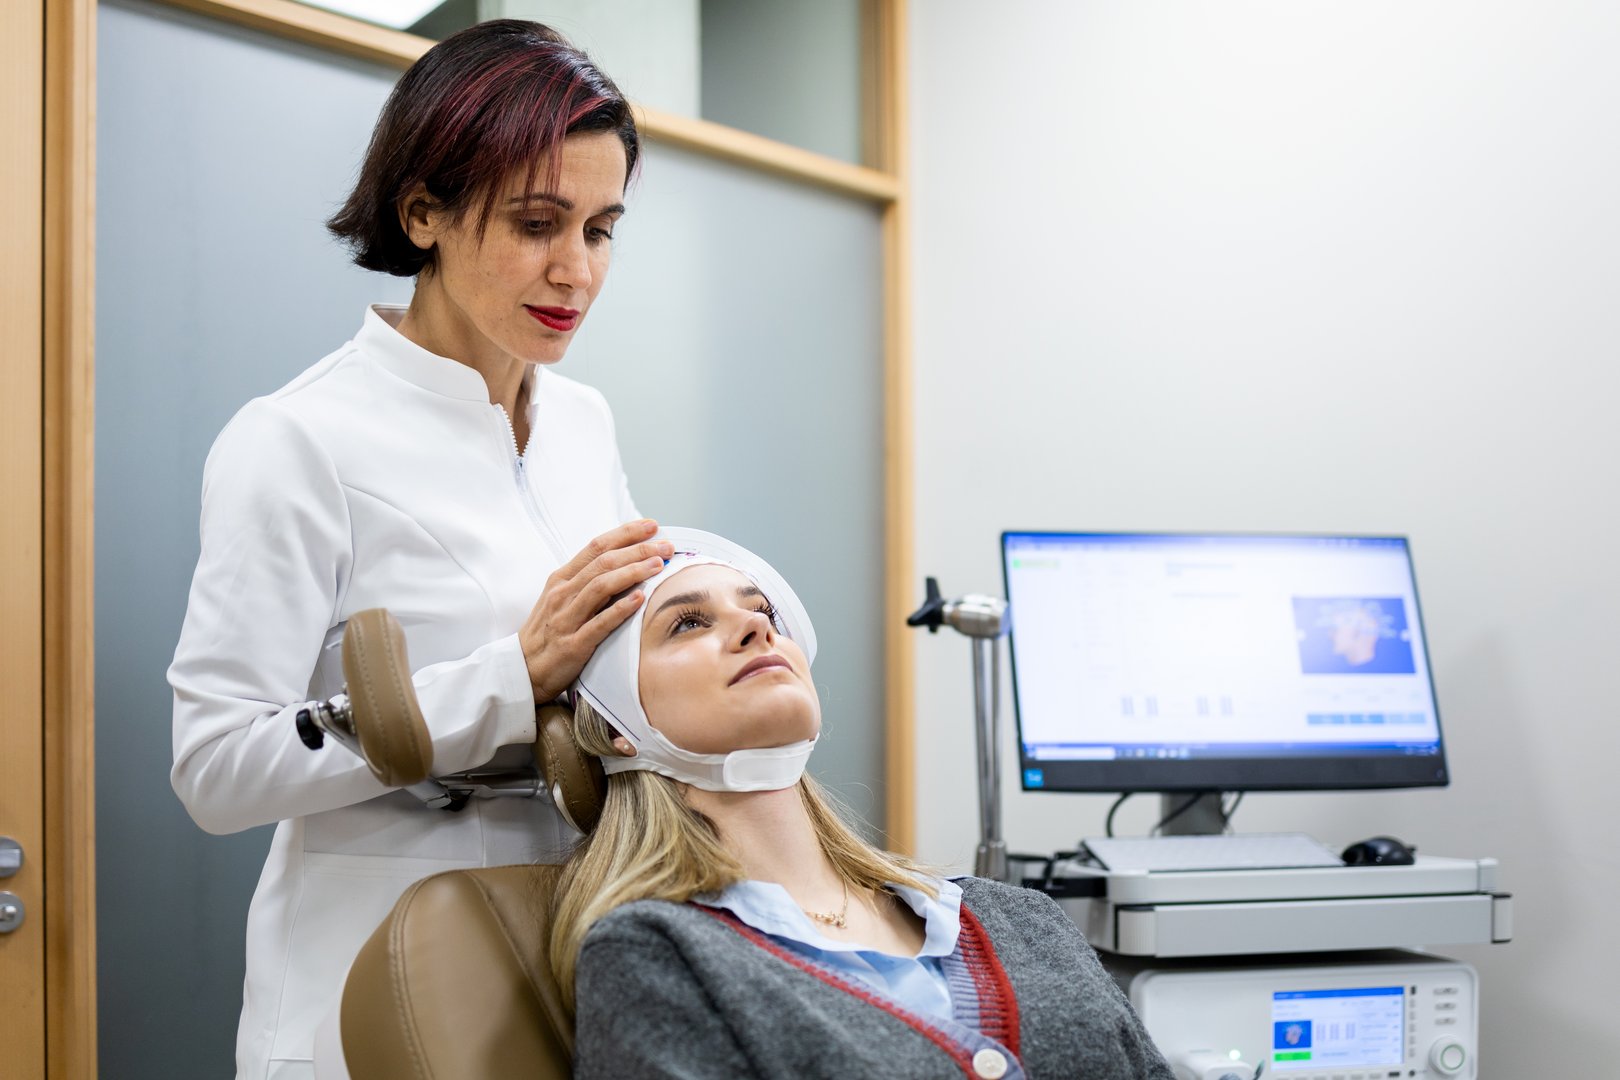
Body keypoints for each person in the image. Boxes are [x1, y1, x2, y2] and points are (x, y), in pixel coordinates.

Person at [167, 22, 672, 1080]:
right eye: (538, 223)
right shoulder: (299, 439)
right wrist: (504, 681)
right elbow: (213, 767)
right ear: (423, 211)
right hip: (371, 986)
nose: (575, 270)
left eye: (602, 228)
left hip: (567, 959)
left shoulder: (584, 423)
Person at [551, 529, 1175, 1080]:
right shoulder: (657, 955)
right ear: (614, 729)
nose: (757, 628)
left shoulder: (1023, 919)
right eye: (689, 623)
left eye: (762, 611)